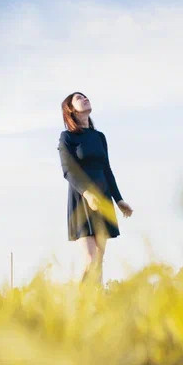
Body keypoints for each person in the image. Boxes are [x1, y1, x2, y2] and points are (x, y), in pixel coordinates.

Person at [58, 92, 133, 284]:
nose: (85, 98)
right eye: (79, 98)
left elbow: (107, 169)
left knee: (98, 261)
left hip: (103, 198)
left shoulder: (99, 137)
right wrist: (88, 193)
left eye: (85, 96)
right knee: (90, 260)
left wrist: (119, 199)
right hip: (82, 200)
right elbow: (68, 171)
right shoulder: (67, 137)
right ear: (71, 109)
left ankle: (96, 305)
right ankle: (77, 303)